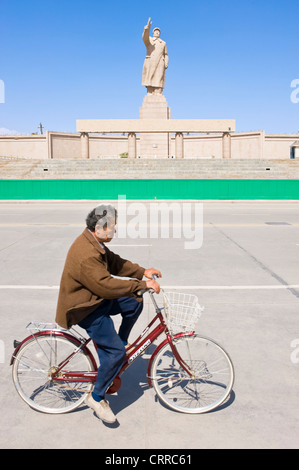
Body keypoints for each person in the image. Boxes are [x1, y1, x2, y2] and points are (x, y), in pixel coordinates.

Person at [55, 204, 161, 424]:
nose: (115, 230)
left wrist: (143, 271)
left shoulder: (95, 242)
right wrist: (141, 284)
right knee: (114, 354)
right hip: (85, 308)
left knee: (133, 302)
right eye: (112, 227)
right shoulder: (86, 254)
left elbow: (115, 263)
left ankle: (120, 342)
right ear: (100, 227)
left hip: (96, 299)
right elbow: (105, 286)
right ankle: (97, 397)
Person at [142, 17, 169, 94]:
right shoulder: (150, 40)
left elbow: (166, 54)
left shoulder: (163, 43)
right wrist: (146, 29)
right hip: (151, 61)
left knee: (159, 77)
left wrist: (166, 62)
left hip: (160, 61)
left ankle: (158, 92)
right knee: (150, 77)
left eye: (158, 32)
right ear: (153, 33)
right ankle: (149, 91)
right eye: (155, 31)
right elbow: (145, 38)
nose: (157, 33)